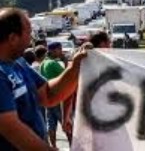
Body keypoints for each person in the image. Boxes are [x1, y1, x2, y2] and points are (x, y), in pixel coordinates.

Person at [0, 8, 89, 150]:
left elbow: (48, 95)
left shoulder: (19, 63)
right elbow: (9, 127)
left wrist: (74, 68)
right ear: (12, 38)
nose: (31, 38)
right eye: (28, 33)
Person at [40, 42, 72, 148]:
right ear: (53, 50)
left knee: (51, 124)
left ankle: (53, 146)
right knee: (66, 123)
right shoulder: (53, 64)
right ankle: (73, 146)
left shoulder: (43, 63)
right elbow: (68, 76)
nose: (61, 51)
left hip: (49, 99)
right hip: (59, 99)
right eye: (60, 49)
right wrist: (66, 62)